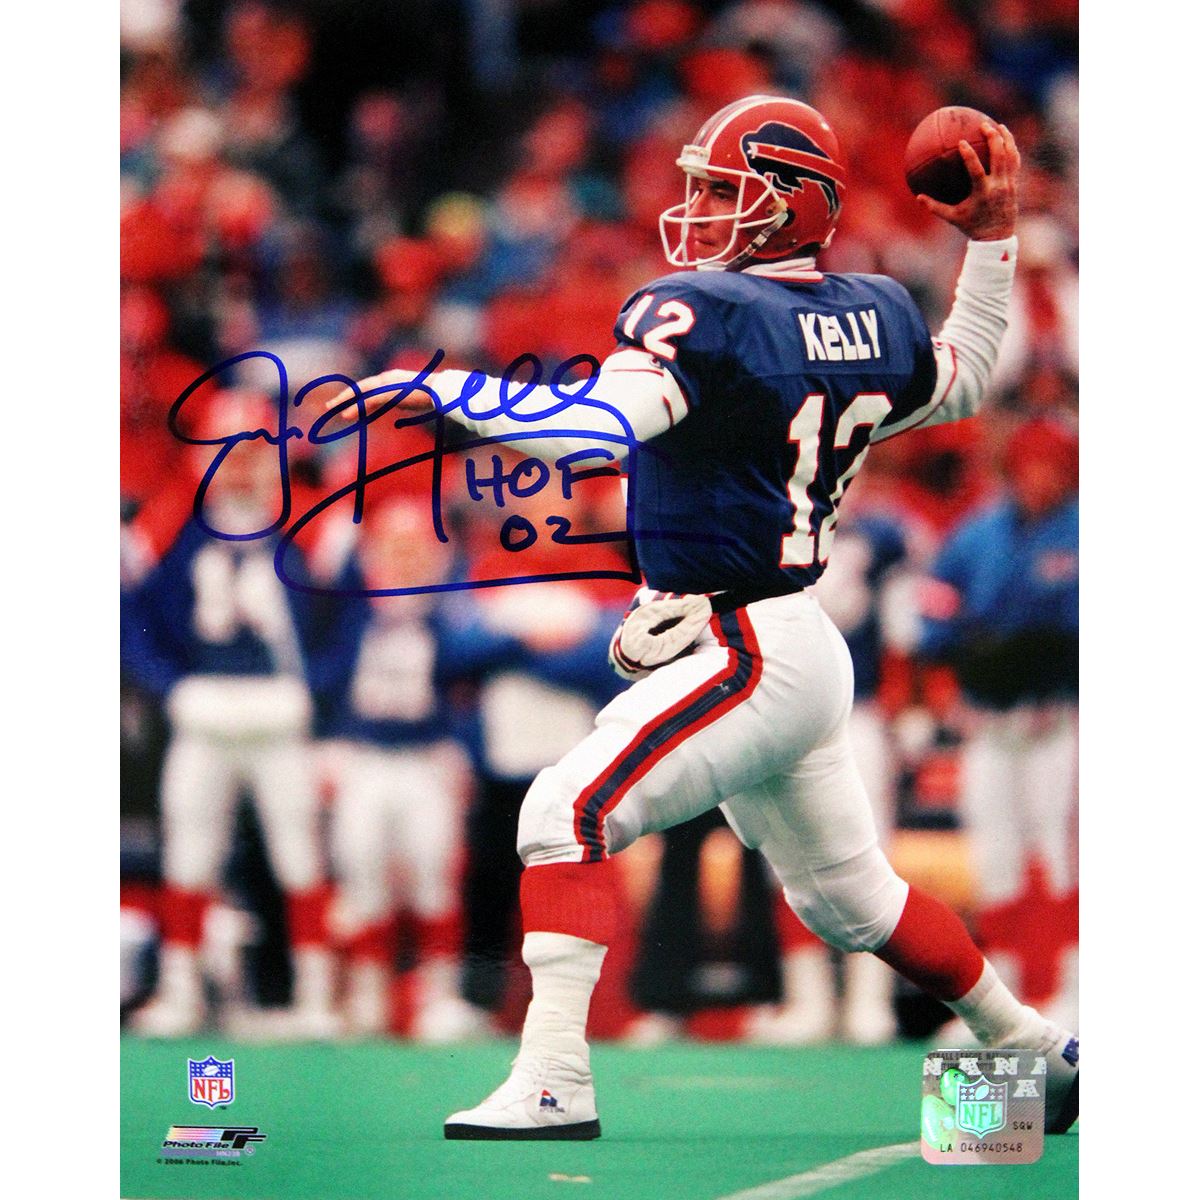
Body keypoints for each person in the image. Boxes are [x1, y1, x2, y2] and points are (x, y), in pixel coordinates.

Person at [327, 94, 1078, 1139]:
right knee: (851, 900)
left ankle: (553, 1081)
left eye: (725, 190)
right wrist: (990, 243)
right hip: (783, 636)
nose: (700, 209)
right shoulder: (869, 311)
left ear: (794, 201)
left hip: (751, 645)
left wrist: (445, 391)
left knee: (565, 813)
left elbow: (594, 431)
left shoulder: (705, 312)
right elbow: (962, 378)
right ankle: (1030, 1047)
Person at [917, 417, 1079, 1030]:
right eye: (1029, 463)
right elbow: (934, 606)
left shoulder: (1083, 528)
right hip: (989, 719)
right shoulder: (980, 531)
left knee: (1064, 852)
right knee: (997, 853)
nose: (1039, 476)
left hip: (1059, 716)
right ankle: (1004, 999)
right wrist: (954, 653)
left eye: (1051, 464)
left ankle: (1075, 985)